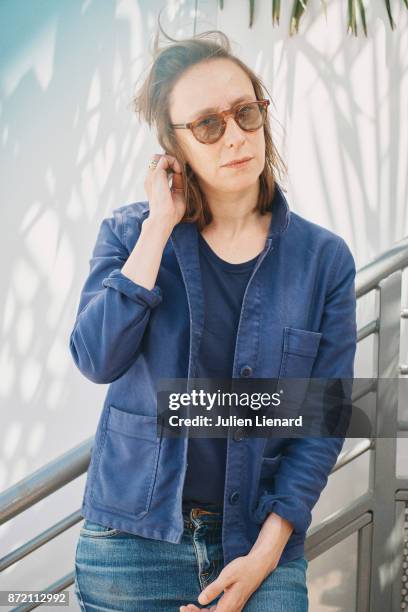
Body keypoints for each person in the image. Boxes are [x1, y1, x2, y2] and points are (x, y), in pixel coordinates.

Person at [71, 21, 357, 612]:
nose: (234, 136)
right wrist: (157, 229)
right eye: (208, 124)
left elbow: (324, 418)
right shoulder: (130, 235)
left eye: (246, 113)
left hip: (257, 543)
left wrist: (266, 554)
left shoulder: (324, 261)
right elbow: (97, 360)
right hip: (131, 544)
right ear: (175, 146)